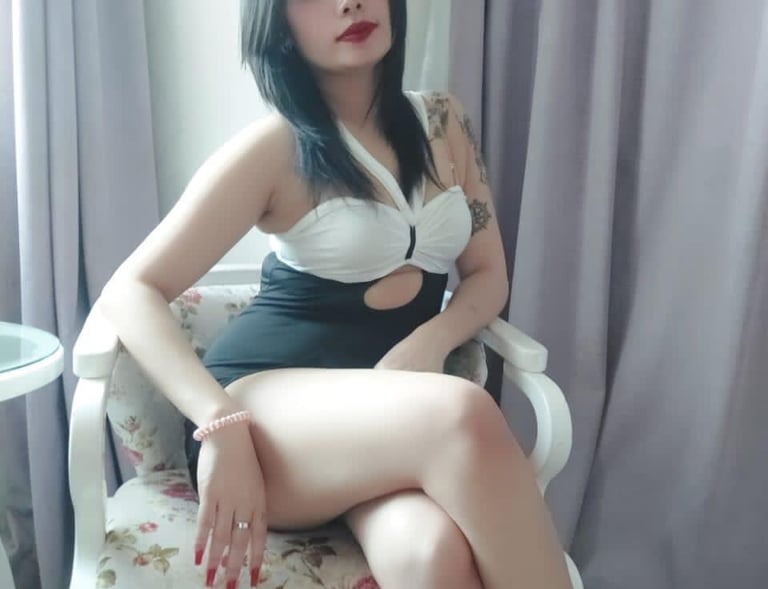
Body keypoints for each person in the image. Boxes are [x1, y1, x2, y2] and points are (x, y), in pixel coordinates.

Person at [98, 1, 572, 588]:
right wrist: (219, 421)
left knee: (428, 555)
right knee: (463, 413)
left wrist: (431, 342)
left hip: (386, 423)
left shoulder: (444, 124)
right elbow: (130, 290)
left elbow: (488, 275)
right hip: (269, 412)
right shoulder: (277, 148)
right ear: (279, 25)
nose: (349, 2)